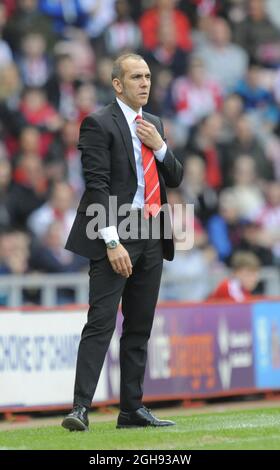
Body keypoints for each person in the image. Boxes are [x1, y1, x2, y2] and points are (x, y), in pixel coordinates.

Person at [61, 53, 183, 431]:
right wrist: (111, 242)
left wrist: (160, 146)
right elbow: (95, 185)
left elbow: (175, 179)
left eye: (147, 76)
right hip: (114, 229)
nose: (144, 83)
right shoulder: (97, 123)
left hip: (150, 231)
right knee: (100, 322)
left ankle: (131, 409)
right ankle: (80, 408)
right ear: (117, 84)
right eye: (135, 77)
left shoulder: (155, 123)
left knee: (139, 326)